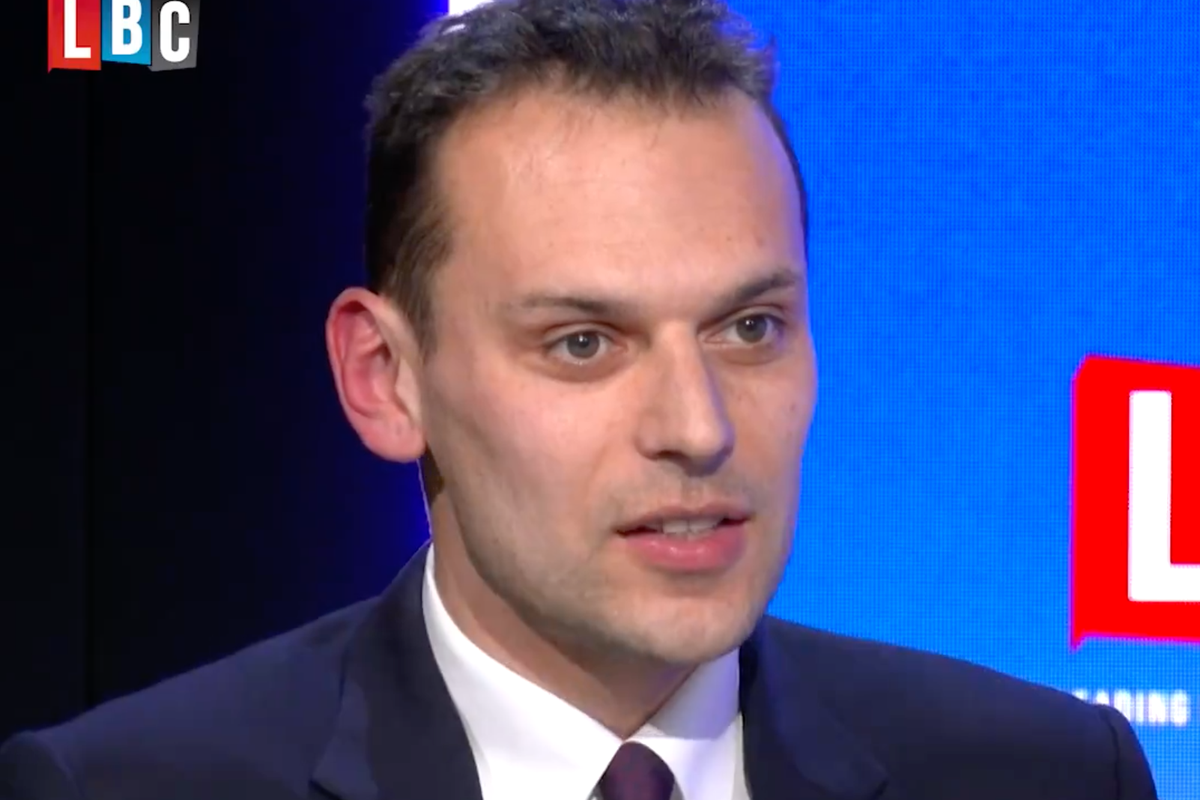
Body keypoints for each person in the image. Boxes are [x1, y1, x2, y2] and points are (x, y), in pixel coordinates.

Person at [0, 1, 1160, 798]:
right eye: (584, 343)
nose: (698, 427)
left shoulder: (1048, 773)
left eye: (749, 328)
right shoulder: (130, 786)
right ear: (386, 378)